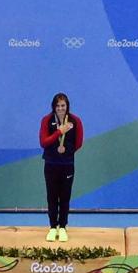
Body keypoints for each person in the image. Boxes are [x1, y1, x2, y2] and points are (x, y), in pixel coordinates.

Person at [38, 92, 84, 242]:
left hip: (67, 165)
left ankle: (63, 227)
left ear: (67, 106)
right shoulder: (46, 120)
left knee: (65, 197)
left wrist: (66, 151)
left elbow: (79, 143)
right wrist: (59, 131)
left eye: (63, 106)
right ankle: (52, 227)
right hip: (51, 164)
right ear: (53, 107)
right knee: (52, 197)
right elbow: (43, 142)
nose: (60, 108)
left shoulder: (75, 121)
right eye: (57, 106)